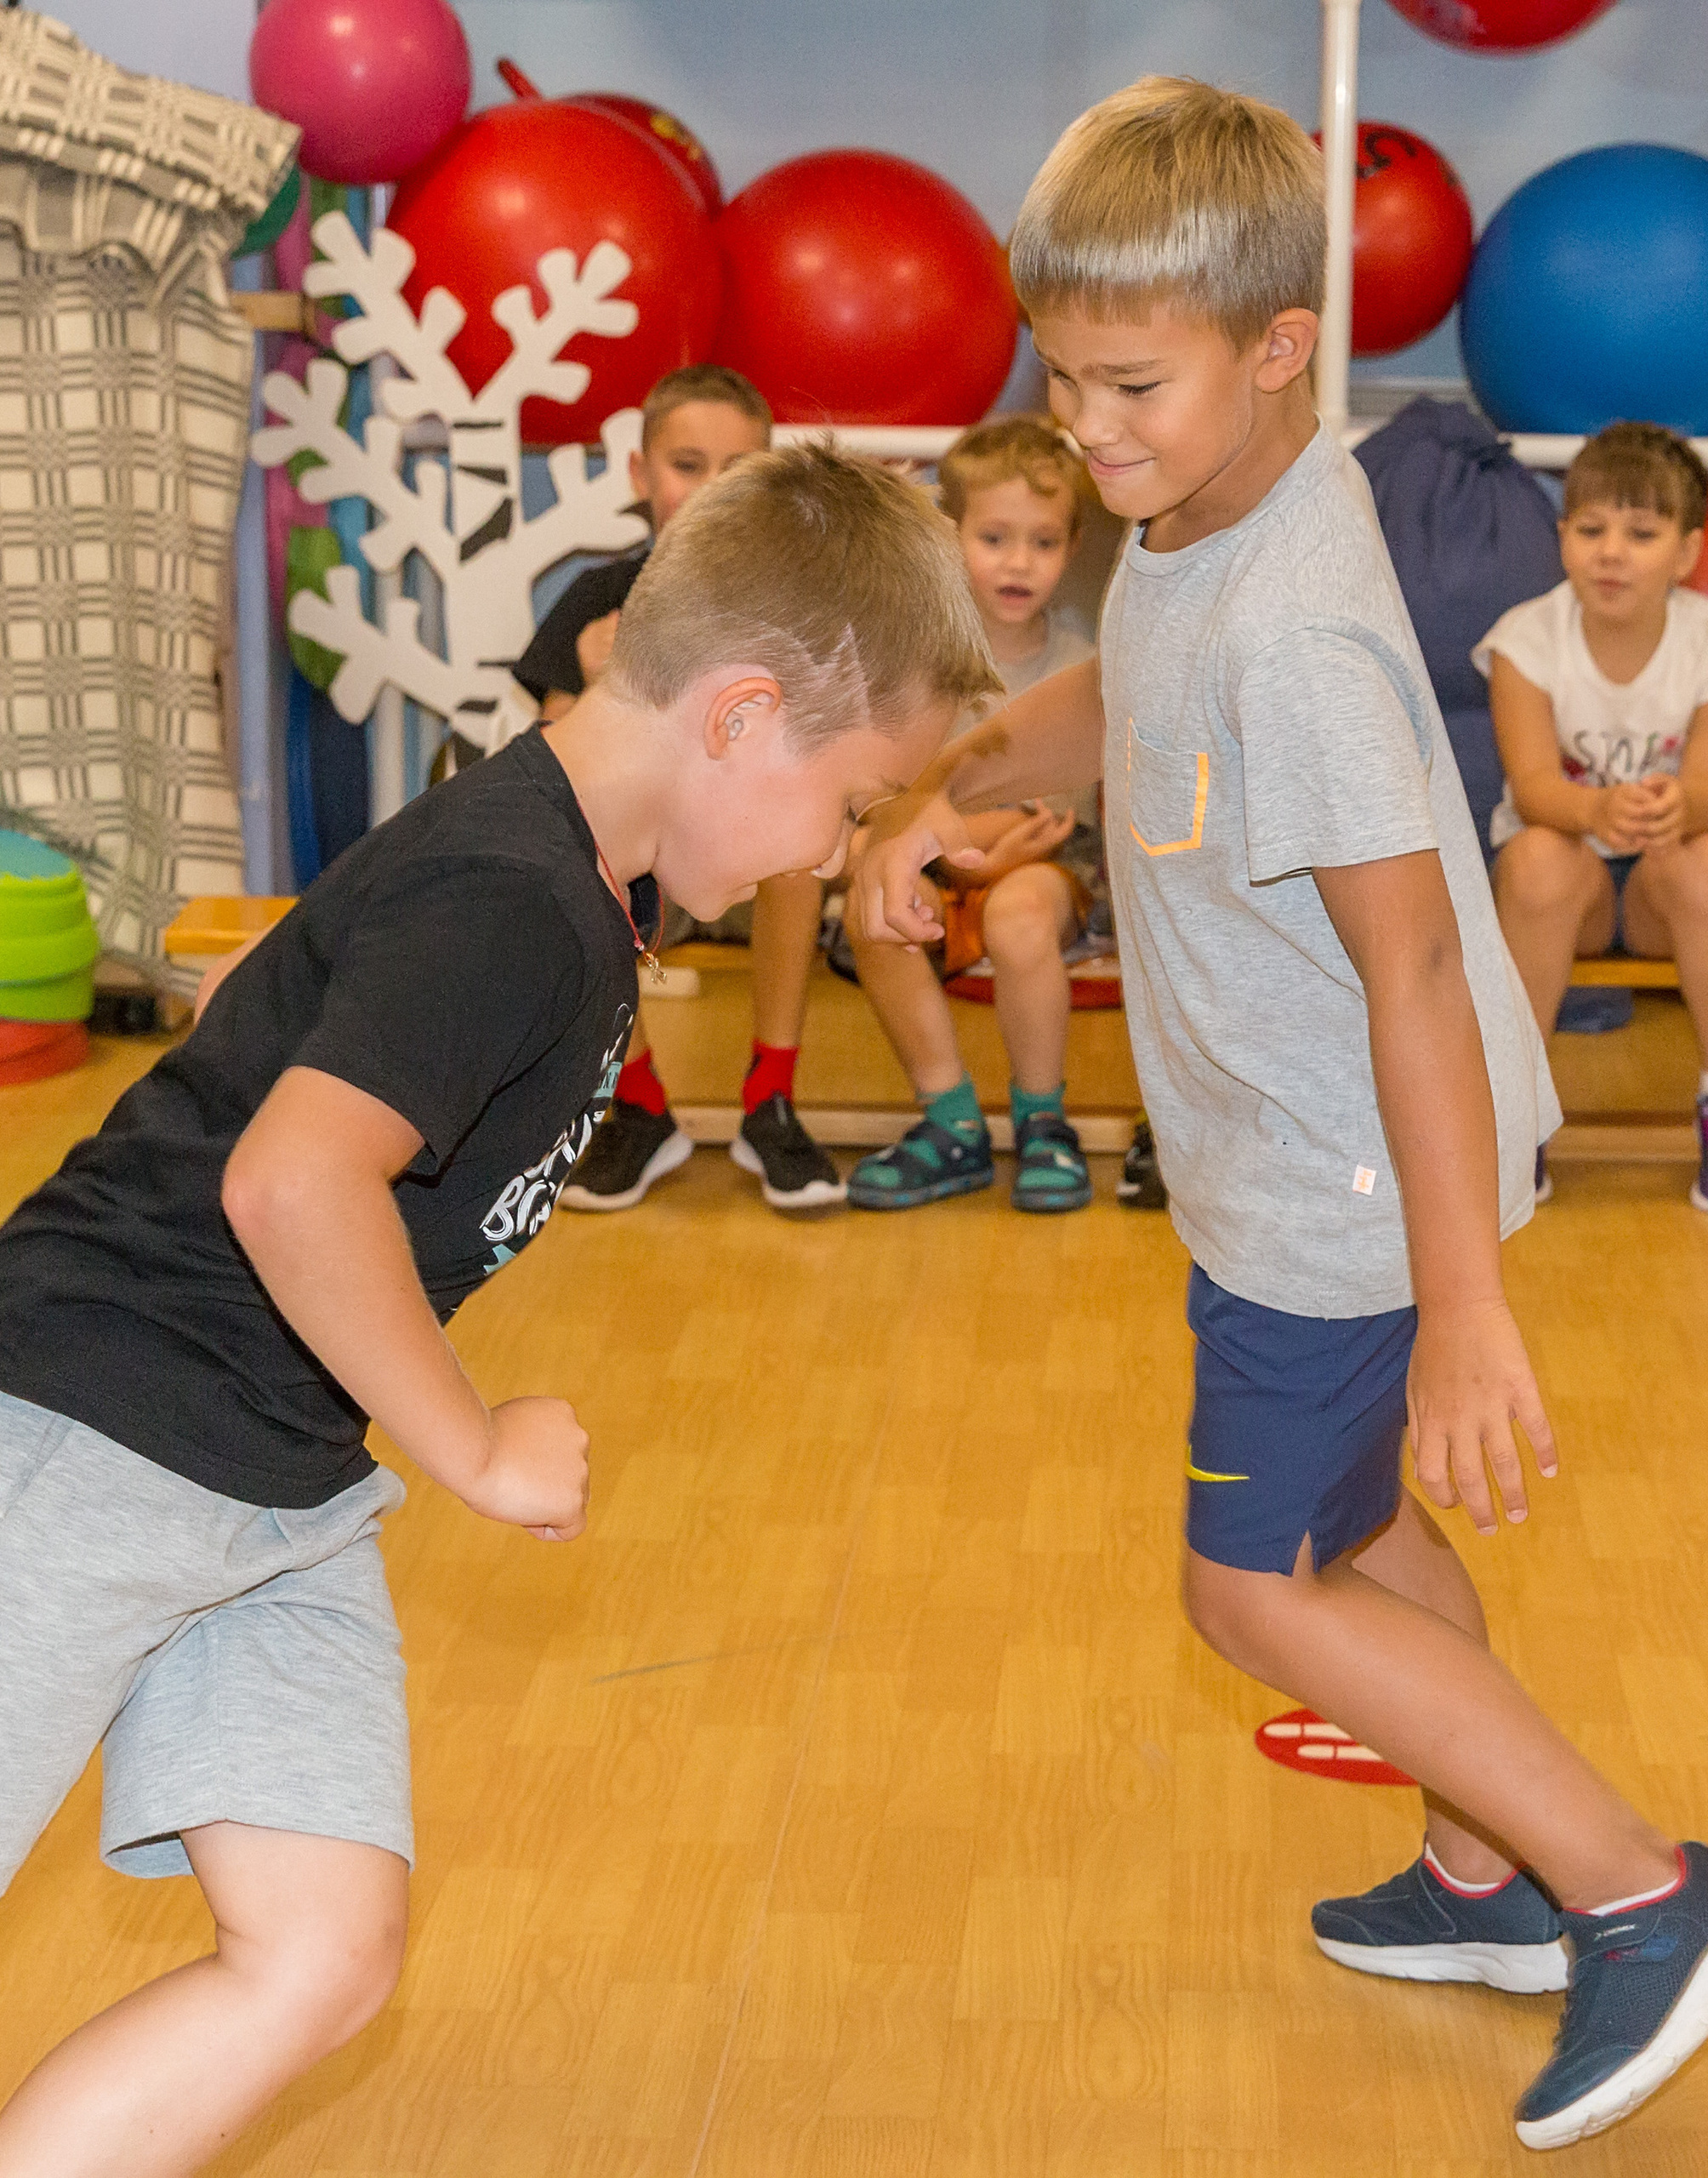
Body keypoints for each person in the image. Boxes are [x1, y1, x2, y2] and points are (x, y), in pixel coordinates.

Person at [853, 77, 1708, 2152]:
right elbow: (1114, 686)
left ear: (1276, 348)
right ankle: (1481, 1876)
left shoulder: (1297, 638)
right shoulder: (1201, 513)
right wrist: (951, 787)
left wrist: (1460, 1299)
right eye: (1061, 374)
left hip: (1353, 1178)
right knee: (1355, 1519)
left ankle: (1640, 1887)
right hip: (1293, 1158)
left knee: (1249, 1581)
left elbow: (1409, 972)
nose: (1084, 427)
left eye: (1129, 382)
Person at [0, 447, 996, 2176]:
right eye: (851, 805)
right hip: (95, 1426)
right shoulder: (519, 895)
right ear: (744, 713)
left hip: (274, 1474)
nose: (840, 851)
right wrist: (474, 1442)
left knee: (318, 1948)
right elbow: (290, 1183)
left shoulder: (561, 865)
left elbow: (299, 1010)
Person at [513, 364, 850, 1217]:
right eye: (685, 464)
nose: (707, 491)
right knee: (578, 869)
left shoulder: (794, 612)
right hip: (652, 872)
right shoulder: (599, 600)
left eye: (736, 471)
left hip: (754, 867)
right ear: (640, 473)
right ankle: (639, 1105)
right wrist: (596, 683)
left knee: (800, 853)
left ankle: (769, 1098)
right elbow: (554, 777)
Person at [1478, 422, 1708, 1214]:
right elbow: (1535, 787)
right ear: (1562, 539)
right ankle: (1517, 1112)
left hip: (1661, 894)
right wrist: (1598, 809)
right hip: (1565, 892)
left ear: (1686, 553)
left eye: (1641, 534)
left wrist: (1678, 806)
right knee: (1538, 857)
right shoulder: (1525, 639)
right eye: (1591, 530)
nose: (1612, 552)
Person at [846, 416, 1111, 1213]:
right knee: (875, 905)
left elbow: (1050, 814)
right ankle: (951, 1122)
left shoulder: (1080, 657)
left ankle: (1041, 1121)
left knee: (1021, 915)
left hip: (1047, 866)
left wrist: (986, 855)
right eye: (994, 537)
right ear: (950, 536)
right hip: (943, 861)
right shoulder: (923, 660)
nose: (1019, 561)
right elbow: (889, 791)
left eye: (1043, 541)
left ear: (1072, 546)